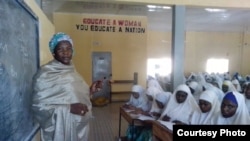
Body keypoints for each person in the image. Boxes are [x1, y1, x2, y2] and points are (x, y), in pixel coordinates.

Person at [31, 32, 98, 141]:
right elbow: (38, 106)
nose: (66, 53)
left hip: (79, 127)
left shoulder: (72, 70)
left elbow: (75, 94)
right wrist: (68, 108)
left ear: (73, 51)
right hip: (60, 130)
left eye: (68, 48)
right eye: (60, 49)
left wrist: (90, 91)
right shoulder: (44, 73)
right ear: (53, 52)